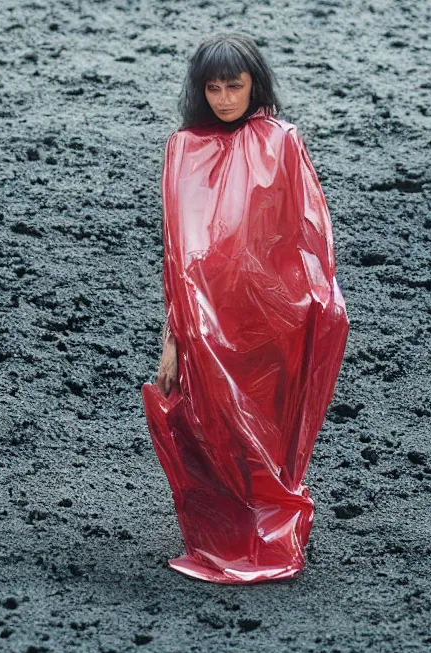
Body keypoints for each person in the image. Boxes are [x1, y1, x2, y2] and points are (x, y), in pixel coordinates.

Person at [141, 32, 349, 584]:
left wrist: (315, 308)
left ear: (255, 84)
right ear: (199, 90)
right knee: (210, 424)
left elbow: (306, 234)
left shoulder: (281, 141)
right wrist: (175, 333)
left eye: (235, 86)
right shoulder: (183, 149)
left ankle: (273, 535)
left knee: (269, 428)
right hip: (207, 318)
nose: (225, 98)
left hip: (272, 317)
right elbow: (178, 252)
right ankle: (226, 538)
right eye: (214, 88)